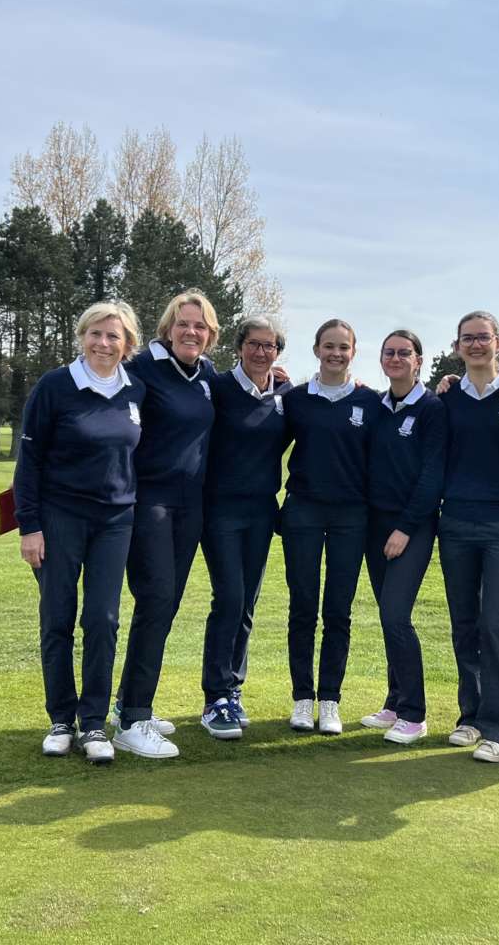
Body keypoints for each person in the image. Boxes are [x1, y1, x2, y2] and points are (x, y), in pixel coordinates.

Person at [13, 301, 148, 766]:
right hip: (58, 518)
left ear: (128, 343)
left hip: (115, 521)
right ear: (82, 336)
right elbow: (28, 462)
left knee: (103, 620)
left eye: (114, 336)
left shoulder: (136, 392)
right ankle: (60, 719)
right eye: (95, 333)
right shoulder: (55, 386)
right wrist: (28, 526)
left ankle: (93, 722)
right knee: (57, 617)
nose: (103, 343)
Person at [113, 290, 220, 760]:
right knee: (155, 599)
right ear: (168, 328)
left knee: (166, 605)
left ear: (210, 334)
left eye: (200, 326)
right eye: (184, 324)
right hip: (149, 503)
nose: (191, 332)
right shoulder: (141, 369)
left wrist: (276, 378)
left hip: (190, 506)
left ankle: (130, 704)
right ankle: (132, 719)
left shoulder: (207, 375)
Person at [436, 311, 499, 763]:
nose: (476, 345)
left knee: (497, 622)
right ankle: (471, 715)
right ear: (458, 346)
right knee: (465, 623)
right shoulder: (449, 397)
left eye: (483, 338)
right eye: (467, 339)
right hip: (455, 522)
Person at [279, 318, 381, 735]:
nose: (336, 353)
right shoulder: (296, 399)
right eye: (329, 346)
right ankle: (303, 697)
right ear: (317, 349)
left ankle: (330, 699)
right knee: (303, 607)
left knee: (338, 610)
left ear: (353, 352)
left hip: (351, 516)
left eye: (344, 347)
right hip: (303, 510)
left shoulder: (370, 402)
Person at [198, 316, 292, 739]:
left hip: (261, 511)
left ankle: (232, 690)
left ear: (277, 351)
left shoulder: (285, 394)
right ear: (239, 347)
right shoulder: (217, 388)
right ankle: (214, 696)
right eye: (253, 344)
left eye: (269, 346)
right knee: (230, 598)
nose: (260, 352)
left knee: (248, 604)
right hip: (219, 510)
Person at [360, 329, 446, 745]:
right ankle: (394, 701)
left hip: (411, 526)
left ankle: (414, 713)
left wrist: (406, 528)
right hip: (373, 524)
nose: (396, 358)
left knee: (396, 615)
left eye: (404, 353)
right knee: (386, 615)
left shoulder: (432, 408)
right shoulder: (375, 405)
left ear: (419, 361)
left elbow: (432, 476)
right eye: (389, 352)